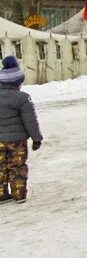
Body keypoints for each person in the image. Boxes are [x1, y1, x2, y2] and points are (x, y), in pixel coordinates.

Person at [0, 56, 43, 204]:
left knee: (0, 167)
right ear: (17, 82)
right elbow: (30, 121)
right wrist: (37, 139)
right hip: (17, 142)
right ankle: (19, 194)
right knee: (17, 166)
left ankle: (1, 194)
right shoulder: (23, 98)